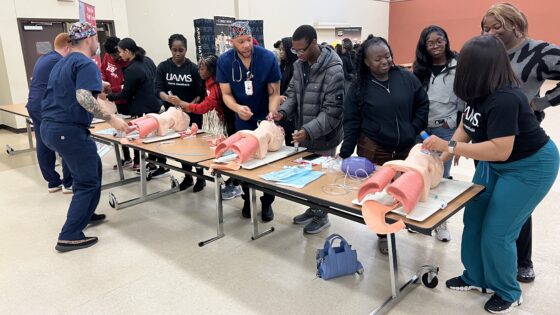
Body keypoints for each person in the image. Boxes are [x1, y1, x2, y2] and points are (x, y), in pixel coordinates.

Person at [423, 35, 559, 314]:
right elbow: (467, 125)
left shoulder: (506, 98)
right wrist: (441, 157)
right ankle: (477, 278)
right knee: (474, 219)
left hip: (529, 167)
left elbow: (500, 149)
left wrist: (449, 144)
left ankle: (508, 291)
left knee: (498, 232)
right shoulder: (477, 92)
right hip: (496, 164)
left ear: (481, 67)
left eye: (465, 65)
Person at [481, 2, 560, 283]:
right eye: (485, 27)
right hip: (487, 137)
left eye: (496, 26)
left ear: (515, 24)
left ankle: (523, 260)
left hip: (522, 140)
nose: (489, 32)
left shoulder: (540, 51)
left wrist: (540, 102)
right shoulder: (489, 52)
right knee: (492, 201)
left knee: (515, 204)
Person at [40, 22, 128, 252]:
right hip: (67, 130)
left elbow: (74, 89)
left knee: (92, 167)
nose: (98, 42)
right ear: (89, 39)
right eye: (96, 38)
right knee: (87, 181)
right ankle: (69, 235)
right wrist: (112, 119)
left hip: (51, 128)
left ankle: (85, 214)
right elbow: (82, 97)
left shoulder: (65, 61)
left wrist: (99, 85)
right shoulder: (86, 62)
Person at [338, 35, 429, 254]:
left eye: (387, 56)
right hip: (375, 149)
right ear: (366, 62)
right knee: (379, 194)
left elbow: (422, 103)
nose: (385, 61)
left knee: (402, 190)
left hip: (406, 149)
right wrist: (345, 152)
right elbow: (351, 120)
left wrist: (413, 127)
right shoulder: (359, 87)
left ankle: (401, 222)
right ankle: (382, 233)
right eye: (378, 59)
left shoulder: (405, 78)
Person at [272, 25, 344, 234]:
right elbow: (293, 93)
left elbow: (332, 112)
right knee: (306, 174)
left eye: (302, 50)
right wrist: (283, 112)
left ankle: (322, 215)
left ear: (314, 43)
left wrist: (308, 130)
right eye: (295, 51)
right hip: (305, 132)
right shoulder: (299, 65)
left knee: (321, 178)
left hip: (324, 135)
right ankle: (313, 209)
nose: (298, 55)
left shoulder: (334, 69)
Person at [216, 21, 281, 221]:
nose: (246, 45)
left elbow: (275, 92)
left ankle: (267, 202)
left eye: (248, 40)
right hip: (243, 120)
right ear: (232, 41)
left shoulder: (267, 57)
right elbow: (225, 94)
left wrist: (271, 115)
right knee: (244, 161)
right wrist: (237, 108)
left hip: (264, 118)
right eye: (240, 41)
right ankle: (246, 199)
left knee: (269, 164)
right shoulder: (225, 61)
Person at [413, 25, 463, 242]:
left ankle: (441, 223)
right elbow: (413, 99)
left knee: (440, 176)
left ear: (446, 40)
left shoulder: (458, 65)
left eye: (439, 40)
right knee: (419, 173)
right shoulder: (419, 68)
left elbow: (463, 100)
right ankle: (419, 217)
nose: (435, 46)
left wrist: (452, 125)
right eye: (430, 42)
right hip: (421, 130)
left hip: (446, 130)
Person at [155, 34, 206, 191]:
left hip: (193, 113)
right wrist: (168, 99)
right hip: (174, 115)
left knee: (195, 147)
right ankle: (188, 176)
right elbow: (158, 90)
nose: (177, 54)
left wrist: (189, 105)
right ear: (170, 49)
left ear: (186, 49)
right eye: (174, 50)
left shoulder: (193, 68)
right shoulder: (163, 67)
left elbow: (201, 93)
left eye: (181, 50)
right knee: (182, 148)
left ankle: (201, 178)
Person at [107, 38, 163, 177]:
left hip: (143, 107)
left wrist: (108, 97)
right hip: (155, 104)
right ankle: (155, 163)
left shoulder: (132, 69)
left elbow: (126, 94)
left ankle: (151, 163)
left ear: (127, 51)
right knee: (154, 136)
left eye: (120, 52)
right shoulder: (147, 60)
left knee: (143, 138)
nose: (119, 55)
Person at [26, 32, 72, 193]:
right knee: (64, 139)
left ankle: (53, 182)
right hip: (46, 107)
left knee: (43, 142)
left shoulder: (45, 58)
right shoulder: (59, 61)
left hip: (34, 105)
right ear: (68, 47)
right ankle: (68, 183)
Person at [100, 36, 135, 170]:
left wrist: (111, 90)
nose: (114, 58)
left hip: (127, 99)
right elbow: (103, 70)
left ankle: (137, 159)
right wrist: (103, 82)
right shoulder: (107, 57)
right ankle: (126, 158)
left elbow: (127, 85)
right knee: (120, 130)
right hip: (113, 101)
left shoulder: (127, 62)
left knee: (131, 130)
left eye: (116, 54)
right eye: (111, 55)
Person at [278, 37, 298, 147]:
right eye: (280, 50)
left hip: (290, 108)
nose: (281, 52)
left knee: (292, 141)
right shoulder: (282, 65)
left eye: (283, 50)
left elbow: (291, 88)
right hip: (282, 107)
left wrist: (282, 96)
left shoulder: (295, 66)